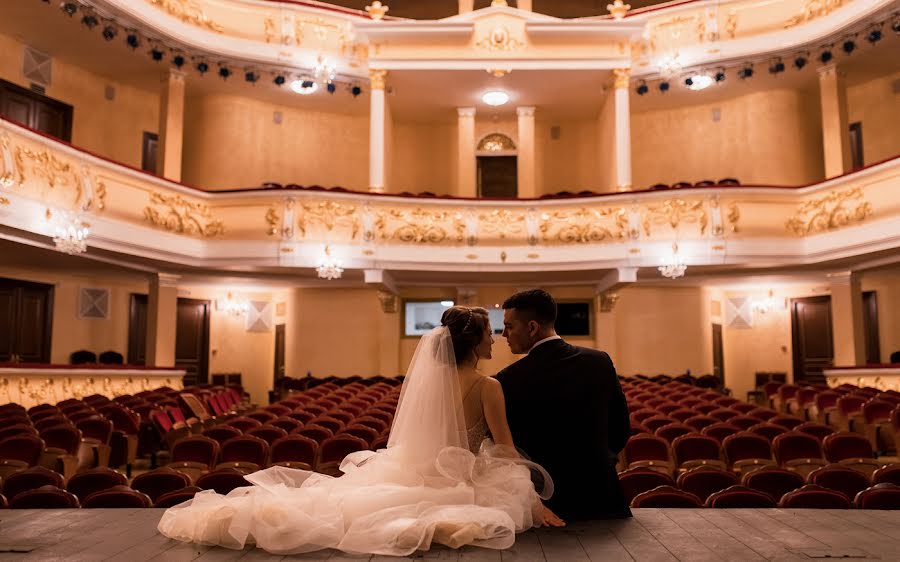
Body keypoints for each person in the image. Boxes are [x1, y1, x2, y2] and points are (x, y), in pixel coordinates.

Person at [158, 306, 561, 556]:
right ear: (475, 344)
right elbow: (506, 449)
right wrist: (527, 497)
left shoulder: (433, 383)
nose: (495, 340)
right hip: (459, 478)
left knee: (343, 507)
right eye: (490, 334)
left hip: (418, 472)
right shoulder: (488, 386)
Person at [496, 289, 632, 520]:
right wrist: (598, 461)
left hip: (547, 505)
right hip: (602, 496)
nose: (503, 335)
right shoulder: (599, 362)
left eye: (509, 326)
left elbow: (508, 447)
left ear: (531, 327)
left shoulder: (507, 379)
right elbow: (621, 428)